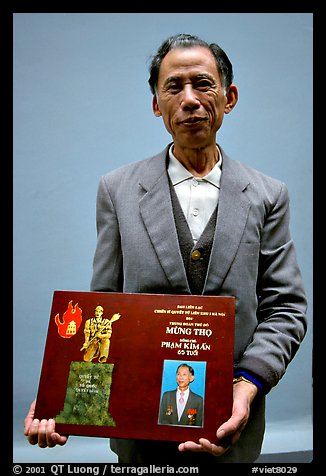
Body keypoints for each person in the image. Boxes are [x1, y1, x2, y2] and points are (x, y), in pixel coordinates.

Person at [24, 33, 308, 464]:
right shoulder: (117, 191)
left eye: (203, 84)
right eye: (174, 87)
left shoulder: (268, 194)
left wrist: (245, 387)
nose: (189, 99)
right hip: (139, 434)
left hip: (232, 424)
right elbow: (104, 308)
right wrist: (63, 400)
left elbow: (286, 308)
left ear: (228, 97)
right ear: (157, 105)